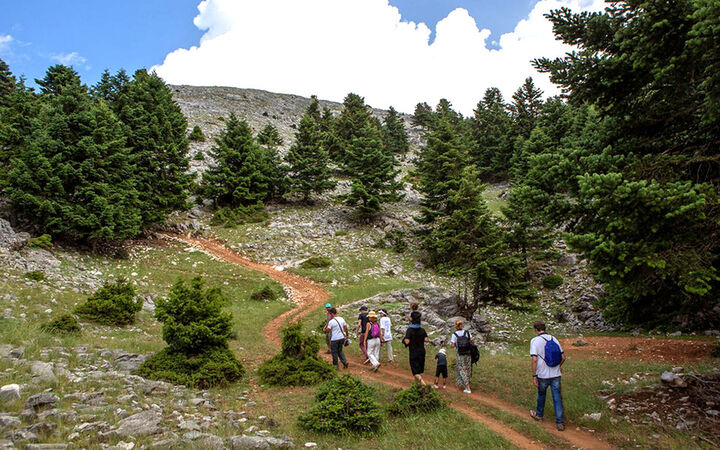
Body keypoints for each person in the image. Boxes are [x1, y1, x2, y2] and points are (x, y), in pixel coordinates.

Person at [529, 321, 566, 431]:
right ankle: (560, 423)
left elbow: (534, 359)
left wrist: (534, 375)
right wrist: (557, 367)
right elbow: (563, 357)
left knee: (541, 395)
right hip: (556, 374)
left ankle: (539, 414)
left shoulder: (534, 341)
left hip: (542, 374)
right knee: (557, 398)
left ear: (536, 329)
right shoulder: (554, 339)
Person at [403, 314, 429, 385]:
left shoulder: (410, 330)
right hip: (422, 351)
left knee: (415, 372)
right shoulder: (422, 330)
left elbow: (407, 341)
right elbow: (426, 340)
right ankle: (417, 387)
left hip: (414, 352)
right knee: (419, 371)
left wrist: (405, 339)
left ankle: (425, 386)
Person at [450, 320, 474, 394]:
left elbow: (452, 345)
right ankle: (466, 383)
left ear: (456, 326)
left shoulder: (454, 334)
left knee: (461, 369)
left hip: (460, 354)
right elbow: (472, 340)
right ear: (462, 325)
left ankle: (467, 387)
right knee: (467, 368)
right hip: (468, 353)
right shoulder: (467, 332)